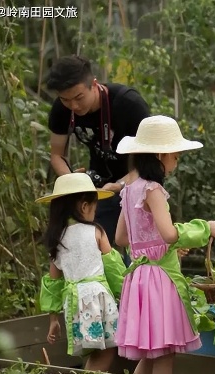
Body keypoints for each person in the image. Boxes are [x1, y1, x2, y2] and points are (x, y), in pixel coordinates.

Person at [113, 115, 215, 374]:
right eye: (176, 155)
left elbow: (121, 238)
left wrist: (162, 247)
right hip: (159, 280)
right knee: (164, 351)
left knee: (151, 352)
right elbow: (170, 232)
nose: (176, 161)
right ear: (162, 154)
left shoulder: (129, 189)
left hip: (139, 276)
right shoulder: (152, 189)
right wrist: (205, 228)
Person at [46, 55, 151, 244]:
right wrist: (74, 183)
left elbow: (151, 160)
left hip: (140, 181)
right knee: (97, 247)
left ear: (93, 84)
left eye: (79, 98)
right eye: (65, 100)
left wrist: (120, 185)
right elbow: (56, 155)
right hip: (100, 187)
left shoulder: (129, 104)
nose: (74, 106)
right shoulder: (61, 109)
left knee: (139, 251)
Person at [37, 173, 126, 371]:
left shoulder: (56, 240)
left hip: (74, 302)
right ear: (85, 206)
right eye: (94, 207)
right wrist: (124, 293)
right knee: (107, 349)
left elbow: (53, 284)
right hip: (98, 299)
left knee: (94, 350)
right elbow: (113, 268)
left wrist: (53, 319)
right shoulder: (96, 231)